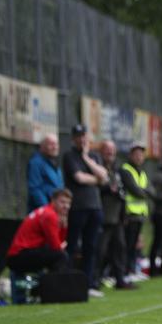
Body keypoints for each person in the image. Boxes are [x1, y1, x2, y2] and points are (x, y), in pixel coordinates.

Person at [62, 124, 109, 298]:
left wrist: (86, 158)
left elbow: (104, 177)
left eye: (84, 136)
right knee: (72, 245)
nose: (82, 139)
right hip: (78, 207)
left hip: (95, 207)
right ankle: (66, 282)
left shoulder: (93, 156)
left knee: (91, 247)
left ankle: (88, 284)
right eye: (78, 136)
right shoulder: (69, 156)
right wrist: (96, 178)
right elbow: (79, 178)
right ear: (74, 139)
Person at [6, 189, 72, 275]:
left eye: (68, 203)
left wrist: (63, 227)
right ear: (53, 201)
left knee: (58, 254)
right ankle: (54, 286)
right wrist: (61, 243)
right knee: (61, 256)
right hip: (19, 255)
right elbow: (56, 246)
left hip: (18, 254)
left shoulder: (46, 211)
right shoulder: (50, 215)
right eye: (62, 202)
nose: (66, 206)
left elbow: (58, 243)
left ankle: (47, 284)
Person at [97, 141, 135, 290]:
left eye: (112, 150)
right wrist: (108, 189)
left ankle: (120, 279)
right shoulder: (98, 168)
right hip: (104, 216)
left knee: (120, 247)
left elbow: (123, 193)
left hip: (117, 216)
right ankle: (95, 279)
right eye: (107, 150)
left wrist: (124, 214)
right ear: (101, 152)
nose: (110, 153)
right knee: (101, 250)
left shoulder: (117, 170)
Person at [120, 143, 152, 281]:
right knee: (127, 244)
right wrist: (146, 192)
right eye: (136, 154)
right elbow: (136, 190)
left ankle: (132, 269)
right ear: (130, 155)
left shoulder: (142, 172)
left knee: (135, 245)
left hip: (140, 214)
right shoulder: (126, 169)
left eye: (141, 154)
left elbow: (150, 190)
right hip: (129, 213)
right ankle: (126, 271)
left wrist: (145, 192)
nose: (139, 157)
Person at [27, 134, 63, 213]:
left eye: (56, 144)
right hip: (42, 212)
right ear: (42, 146)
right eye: (51, 144)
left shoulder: (54, 163)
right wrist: (47, 210)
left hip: (55, 211)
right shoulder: (35, 163)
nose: (55, 147)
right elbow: (35, 189)